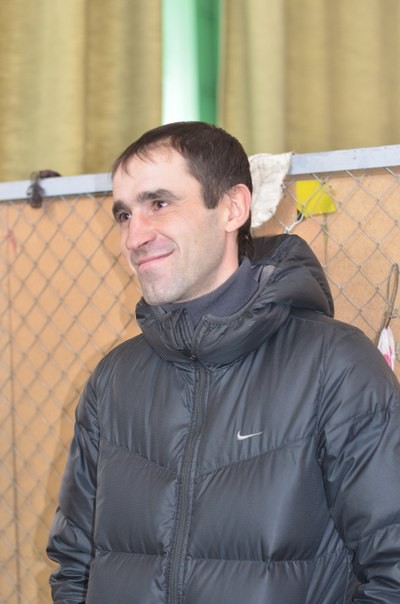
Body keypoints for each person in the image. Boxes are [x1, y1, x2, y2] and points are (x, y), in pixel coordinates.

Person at [47, 121, 400, 603]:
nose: (133, 237)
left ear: (233, 207)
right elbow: (74, 567)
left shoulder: (335, 367)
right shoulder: (114, 379)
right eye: (124, 215)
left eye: (159, 203)